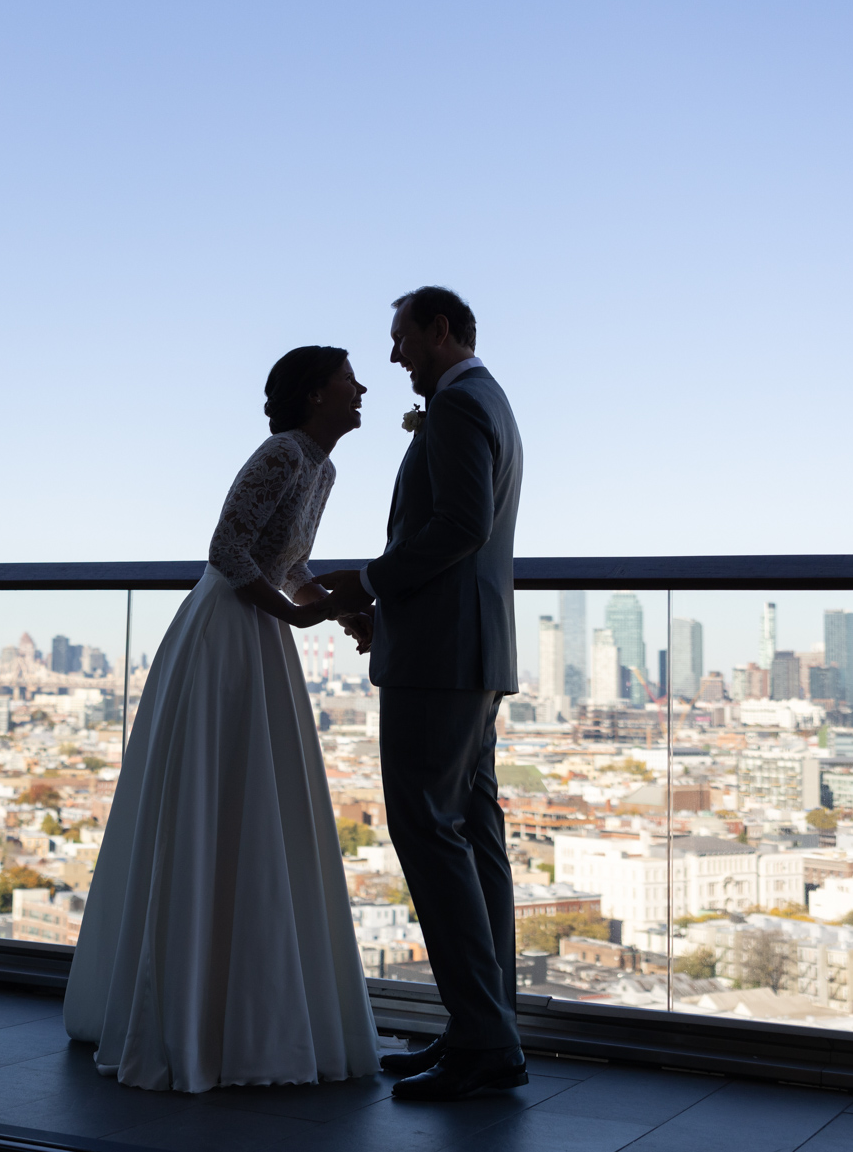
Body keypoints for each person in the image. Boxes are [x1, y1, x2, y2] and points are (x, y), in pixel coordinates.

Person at [63, 345, 379, 1092]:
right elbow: (227, 550)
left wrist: (327, 610)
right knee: (228, 794)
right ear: (313, 395)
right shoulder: (280, 454)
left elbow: (288, 563)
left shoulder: (322, 467)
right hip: (228, 632)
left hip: (256, 629)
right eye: (346, 377)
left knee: (242, 797)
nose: (360, 386)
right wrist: (301, 617)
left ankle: (217, 1006)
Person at [317, 286, 526, 1101]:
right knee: (476, 841)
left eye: (402, 338)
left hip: (439, 657)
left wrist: (368, 580)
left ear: (441, 330)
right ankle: (486, 1026)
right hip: (474, 653)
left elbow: (458, 526)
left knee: (429, 835)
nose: (396, 355)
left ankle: (487, 1039)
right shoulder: (489, 399)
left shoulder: (455, 406)